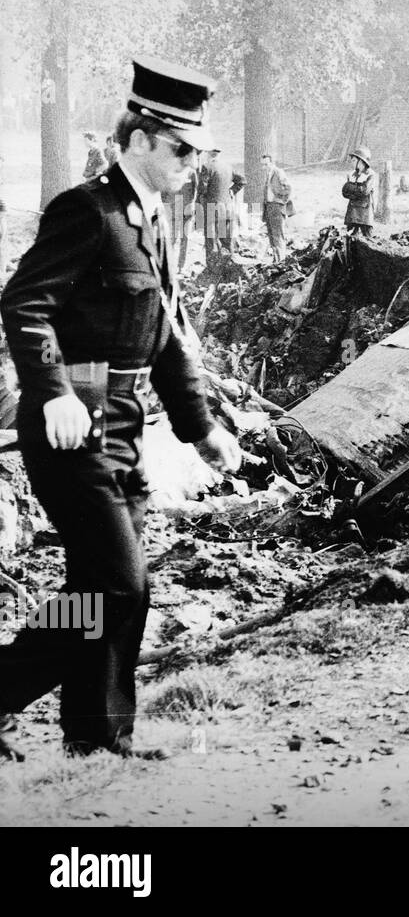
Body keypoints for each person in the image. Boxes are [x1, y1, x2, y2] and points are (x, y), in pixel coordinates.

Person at [0, 56, 241, 763]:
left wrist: (202, 432)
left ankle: (86, 734)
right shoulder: (88, 211)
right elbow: (24, 304)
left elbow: (164, 339)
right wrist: (54, 392)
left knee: (95, 592)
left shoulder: (150, 219)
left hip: (126, 431)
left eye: (196, 151)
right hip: (73, 430)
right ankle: (84, 730)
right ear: (138, 138)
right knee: (121, 583)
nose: (192, 163)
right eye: (181, 148)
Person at [198, 147, 243, 260]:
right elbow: (242, 181)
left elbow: (202, 188)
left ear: (208, 154)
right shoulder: (228, 167)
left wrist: (200, 200)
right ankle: (229, 267)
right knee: (226, 241)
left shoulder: (206, 167)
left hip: (212, 208)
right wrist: (232, 190)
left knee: (211, 241)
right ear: (219, 155)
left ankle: (213, 270)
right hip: (227, 208)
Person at [260, 153, 292, 261]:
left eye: (266, 164)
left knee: (278, 235)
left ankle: (281, 260)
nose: (264, 167)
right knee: (271, 235)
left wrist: (281, 201)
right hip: (268, 207)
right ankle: (276, 259)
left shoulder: (278, 172)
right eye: (263, 165)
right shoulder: (268, 174)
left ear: (271, 163)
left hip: (277, 207)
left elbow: (288, 188)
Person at [342, 146, 375, 237]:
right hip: (352, 210)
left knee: (368, 237)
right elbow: (345, 192)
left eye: (353, 161)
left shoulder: (370, 174)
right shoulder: (351, 175)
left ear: (361, 162)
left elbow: (364, 191)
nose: (351, 163)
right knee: (351, 236)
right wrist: (355, 191)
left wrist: (352, 189)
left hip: (365, 211)